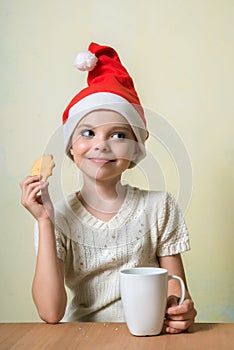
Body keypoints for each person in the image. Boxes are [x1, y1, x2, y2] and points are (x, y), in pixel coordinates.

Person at [20, 42, 197, 333]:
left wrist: (181, 311)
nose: (101, 144)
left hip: (147, 337)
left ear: (135, 153)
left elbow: (174, 293)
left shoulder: (160, 207)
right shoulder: (56, 215)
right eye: (88, 132)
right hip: (81, 337)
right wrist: (44, 221)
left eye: (118, 134)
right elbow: (50, 312)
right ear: (71, 148)